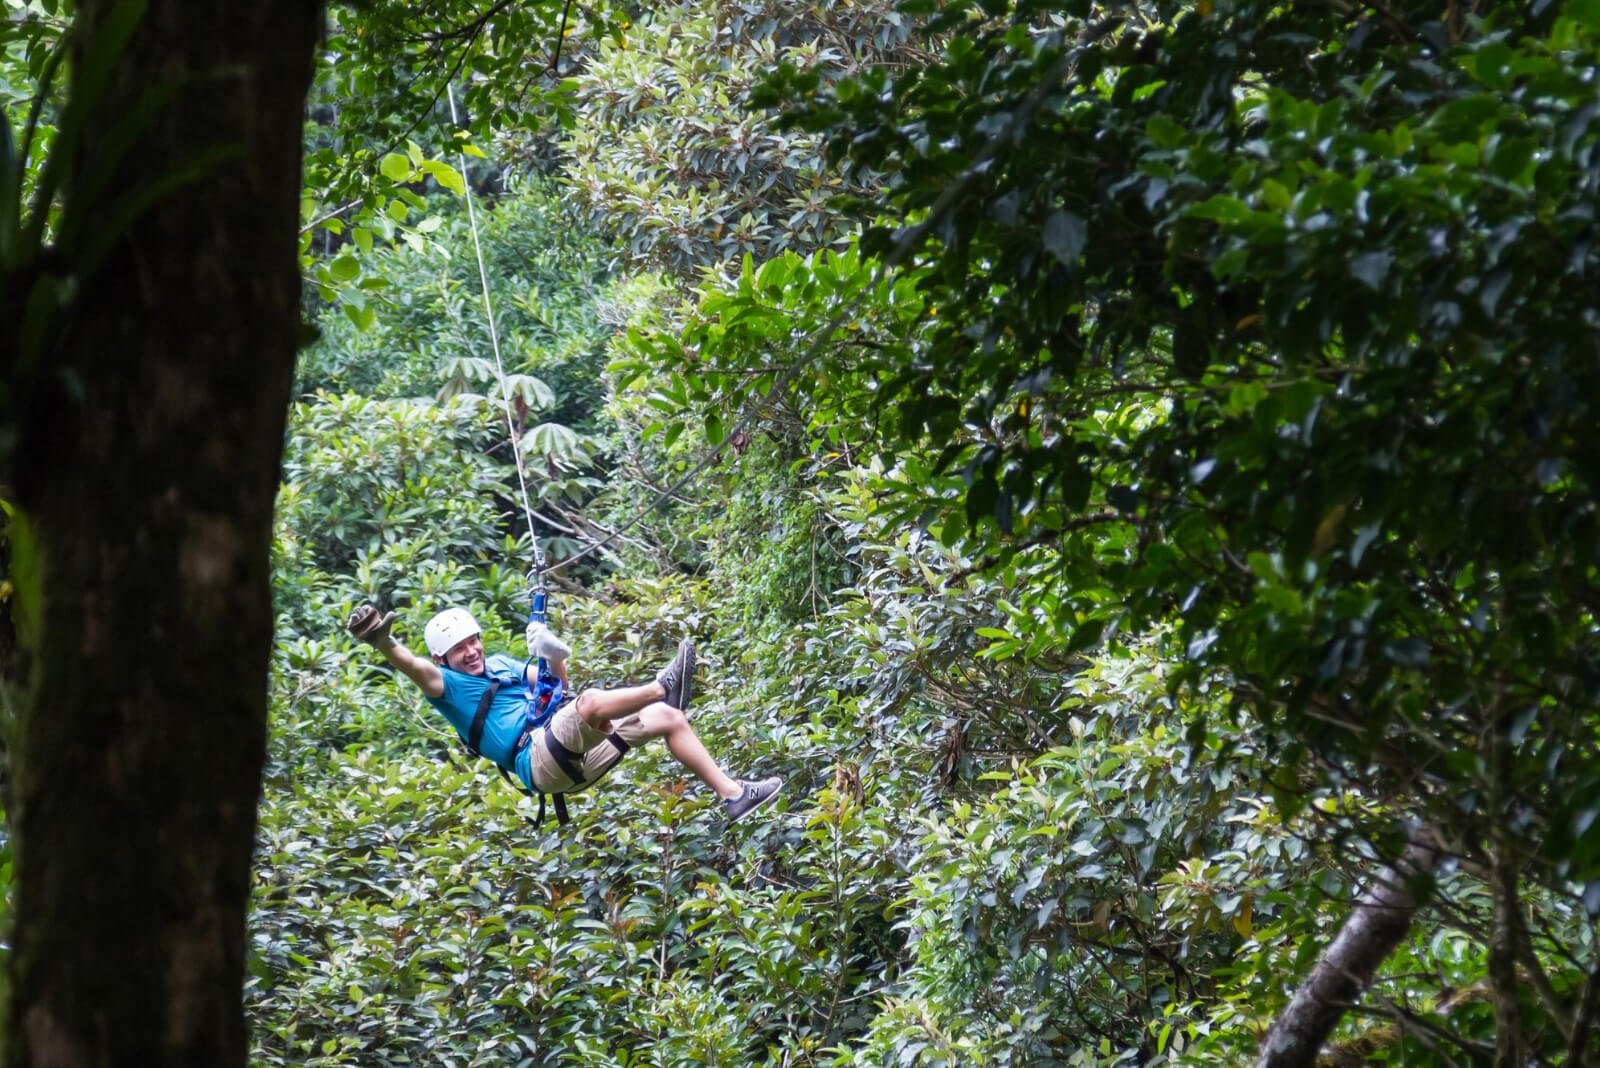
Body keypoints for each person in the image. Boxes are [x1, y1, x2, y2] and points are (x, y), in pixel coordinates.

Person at [345, 604, 783, 822]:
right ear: (444, 660)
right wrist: (383, 642)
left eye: (473, 641)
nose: (471, 651)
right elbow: (412, 666)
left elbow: (559, 688)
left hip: (567, 759)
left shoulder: (498, 664)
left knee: (668, 720)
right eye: (459, 649)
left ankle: (734, 796)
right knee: (594, 703)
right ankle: (664, 686)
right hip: (536, 758)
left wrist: (552, 652)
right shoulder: (445, 687)